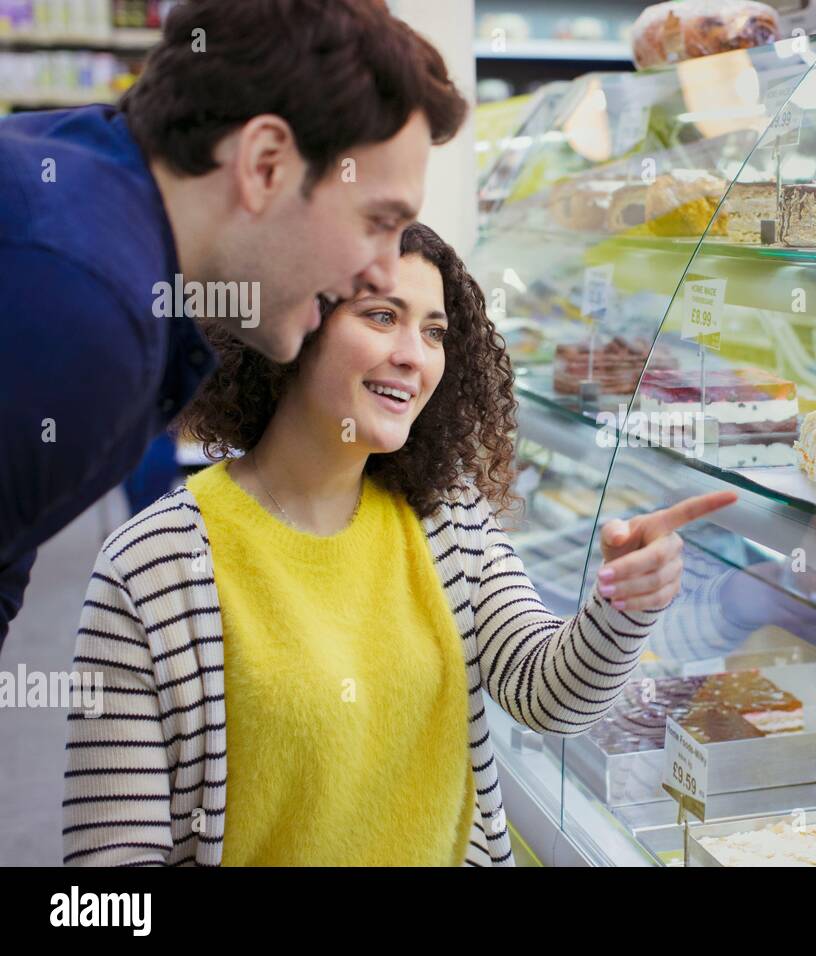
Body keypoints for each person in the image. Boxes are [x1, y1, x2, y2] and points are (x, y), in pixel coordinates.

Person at [63, 224, 736, 866]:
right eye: (382, 316)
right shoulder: (152, 566)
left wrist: (623, 607)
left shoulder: (446, 520)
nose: (415, 355)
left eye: (434, 330)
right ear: (295, 323)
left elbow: (548, 695)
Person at [0, 0, 466, 648]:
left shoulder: (83, 183)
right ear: (266, 163)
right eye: (377, 221)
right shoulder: (86, 310)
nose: (384, 274)